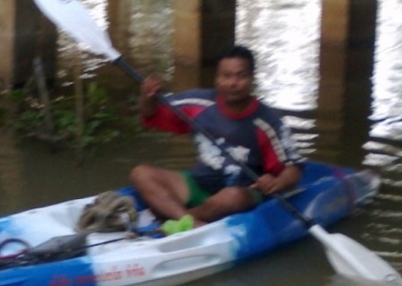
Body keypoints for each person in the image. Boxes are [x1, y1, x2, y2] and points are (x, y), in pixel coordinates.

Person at [130, 45, 304, 234]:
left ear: (252, 79)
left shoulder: (268, 121)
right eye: (226, 76)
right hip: (197, 184)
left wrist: (275, 183)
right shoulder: (198, 103)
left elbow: (292, 168)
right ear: (217, 79)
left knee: (233, 196)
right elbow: (151, 115)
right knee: (141, 173)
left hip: (241, 192)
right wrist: (147, 96)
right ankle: (191, 221)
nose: (233, 83)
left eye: (241, 76)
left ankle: (174, 219)